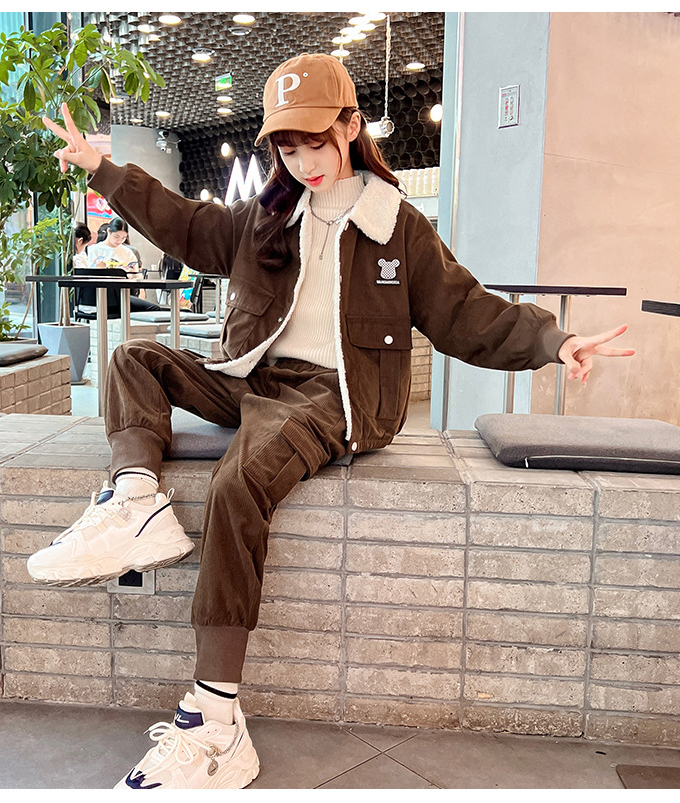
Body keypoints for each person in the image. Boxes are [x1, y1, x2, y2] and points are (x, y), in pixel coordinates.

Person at [32, 53, 634, 790]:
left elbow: (465, 311)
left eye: (315, 141)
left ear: (351, 126)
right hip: (251, 375)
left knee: (236, 484)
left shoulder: (397, 227)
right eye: (288, 147)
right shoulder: (265, 218)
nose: (303, 161)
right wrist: (103, 169)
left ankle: (216, 720)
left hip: (333, 396)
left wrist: (554, 340)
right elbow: (186, 225)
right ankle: (134, 501)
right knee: (134, 359)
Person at [88, 217, 161, 312]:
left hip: (123, 294)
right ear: (108, 231)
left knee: (153, 308)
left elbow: (137, 277)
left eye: (123, 238)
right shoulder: (94, 250)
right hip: (99, 295)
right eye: (116, 237)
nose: (119, 241)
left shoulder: (127, 252)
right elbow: (87, 276)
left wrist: (131, 274)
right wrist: (99, 270)